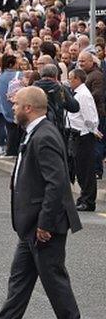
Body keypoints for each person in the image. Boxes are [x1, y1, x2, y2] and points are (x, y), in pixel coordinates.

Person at [0, 87, 88, 319]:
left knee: (54, 281)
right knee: (19, 280)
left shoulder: (44, 136)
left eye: (17, 104)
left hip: (44, 225)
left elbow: (57, 184)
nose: (13, 108)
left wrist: (45, 223)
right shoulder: (35, 132)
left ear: (29, 108)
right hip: (31, 224)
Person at [66, 68, 99, 212]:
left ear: (77, 79)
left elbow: (89, 116)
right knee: (80, 169)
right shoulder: (77, 93)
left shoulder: (83, 95)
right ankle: (83, 198)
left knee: (86, 170)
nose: (68, 81)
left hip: (84, 135)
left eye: (70, 78)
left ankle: (88, 201)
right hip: (76, 134)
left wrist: (93, 130)